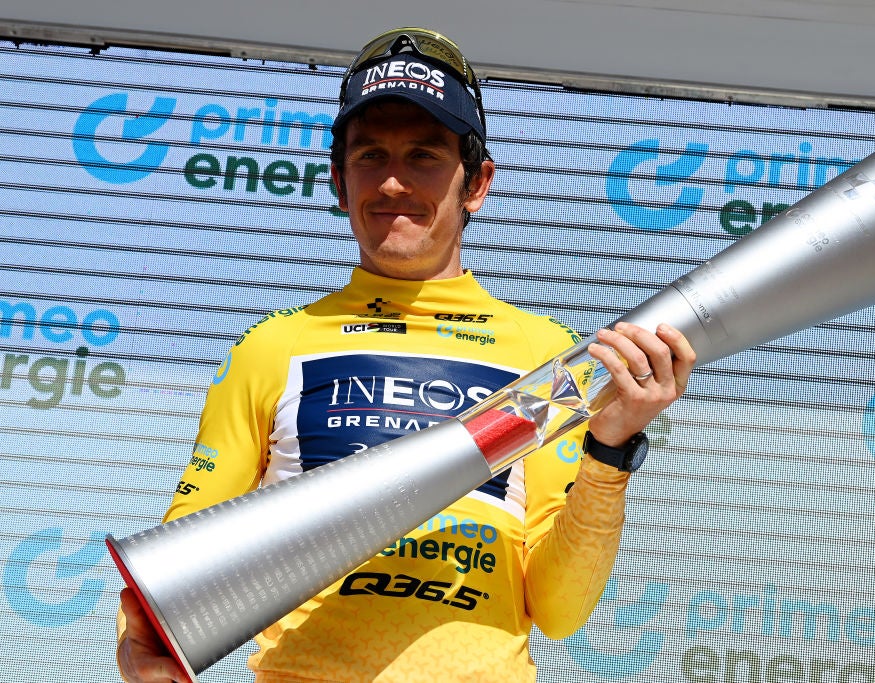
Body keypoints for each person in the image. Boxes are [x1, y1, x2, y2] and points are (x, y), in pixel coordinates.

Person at [116, 27, 697, 683]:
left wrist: (609, 451)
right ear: (338, 180)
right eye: (370, 155)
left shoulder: (543, 354)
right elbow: (174, 562)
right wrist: (141, 640)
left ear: (476, 183)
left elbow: (560, 608)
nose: (392, 182)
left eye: (423, 155)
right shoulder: (273, 345)